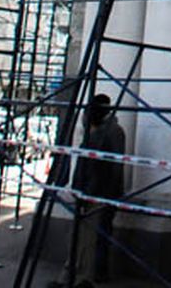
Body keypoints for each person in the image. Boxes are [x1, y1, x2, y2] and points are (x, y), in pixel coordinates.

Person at [70, 93, 126, 287]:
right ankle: (87, 274)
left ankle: (91, 275)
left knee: (95, 236)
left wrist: (97, 193)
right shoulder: (98, 131)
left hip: (100, 193)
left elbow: (108, 167)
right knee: (90, 236)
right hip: (92, 191)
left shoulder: (110, 133)